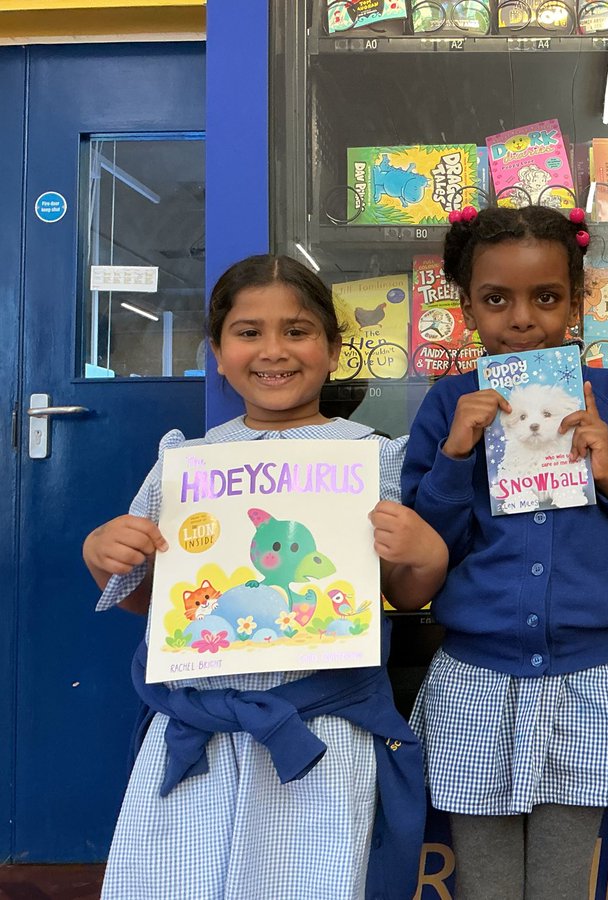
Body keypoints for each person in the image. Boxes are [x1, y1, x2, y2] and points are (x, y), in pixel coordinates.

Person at [82, 254, 448, 900]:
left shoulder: (374, 456)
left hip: (319, 731)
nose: (273, 351)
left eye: (298, 331)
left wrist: (425, 554)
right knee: (179, 879)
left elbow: (404, 592)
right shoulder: (185, 463)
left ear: (334, 350)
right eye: (249, 332)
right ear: (218, 353)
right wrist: (103, 553)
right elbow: (150, 600)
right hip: (198, 732)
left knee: (310, 879)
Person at [400, 204, 608, 900]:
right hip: (477, 677)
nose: (522, 318)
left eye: (546, 297)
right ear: (466, 307)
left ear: (577, 301)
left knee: (561, 881)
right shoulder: (449, 405)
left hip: (589, 678)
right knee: (486, 884)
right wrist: (456, 457)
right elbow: (427, 550)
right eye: (496, 299)